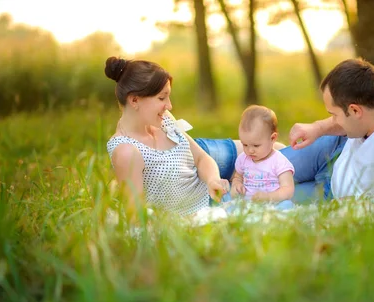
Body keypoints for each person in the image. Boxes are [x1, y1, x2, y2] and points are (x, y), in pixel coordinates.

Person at [283, 58, 374, 201]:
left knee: (268, 197)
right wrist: (318, 128)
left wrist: (351, 203)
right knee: (263, 169)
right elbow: (356, 113)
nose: (334, 120)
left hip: (332, 193)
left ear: (354, 111)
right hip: (335, 146)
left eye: (334, 115)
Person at [104, 56, 230, 217]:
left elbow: (200, 158)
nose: (169, 106)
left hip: (209, 177)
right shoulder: (126, 152)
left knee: (269, 148)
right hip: (205, 209)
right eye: (162, 98)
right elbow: (136, 217)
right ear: (135, 100)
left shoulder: (163, 119)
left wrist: (212, 180)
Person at [229, 105, 295, 209]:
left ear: (273, 138)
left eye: (256, 145)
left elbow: (288, 190)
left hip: (273, 204)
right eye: (245, 145)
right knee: (230, 206)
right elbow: (237, 177)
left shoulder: (279, 162)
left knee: (287, 206)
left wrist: (269, 197)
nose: (250, 150)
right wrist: (236, 185)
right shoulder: (243, 159)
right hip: (247, 204)